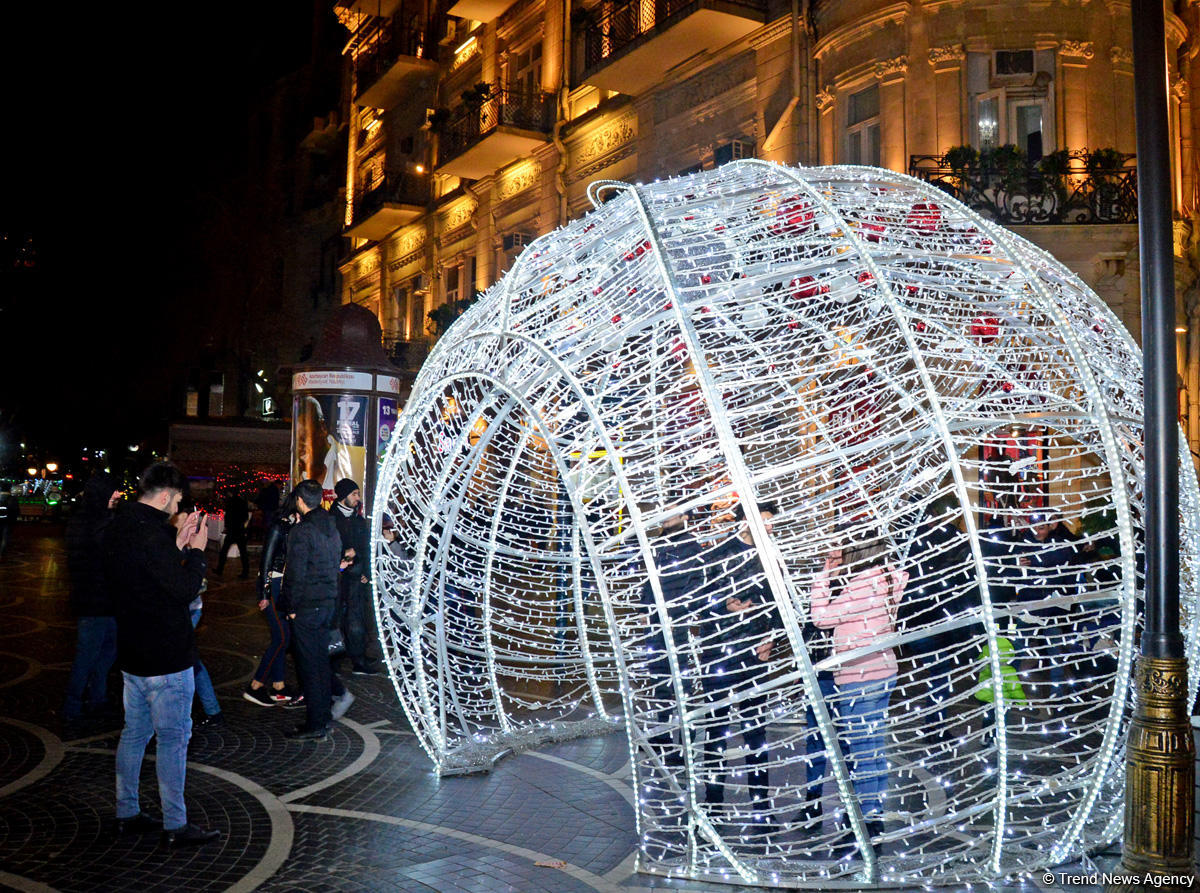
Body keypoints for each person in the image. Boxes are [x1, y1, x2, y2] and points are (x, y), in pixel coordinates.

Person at [104, 462, 219, 846]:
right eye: (178, 501)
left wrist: (177, 546)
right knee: (173, 738)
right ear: (168, 496)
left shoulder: (120, 526)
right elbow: (183, 588)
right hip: (166, 657)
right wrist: (198, 553)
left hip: (132, 652)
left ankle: (127, 811)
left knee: (134, 733)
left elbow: (150, 575)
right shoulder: (153, 535)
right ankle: (176, 823)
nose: (178, 509)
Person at [811, 533, 908, 841]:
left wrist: (823, 577)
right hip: (883, 670)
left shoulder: (864, 583)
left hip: (860, 675)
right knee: (874, 745)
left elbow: (821, 618)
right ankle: (873, 811)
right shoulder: (889, 576)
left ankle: (865, 821)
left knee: (863, 750)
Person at [698, 501, 781, 830]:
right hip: (719, 654)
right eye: (764, 521)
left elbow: (779, 602)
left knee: (756, 730)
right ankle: (713, 804)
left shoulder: (771, 556)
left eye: (772, 522)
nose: (770, 528)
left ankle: (761, 805)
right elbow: (700, 602)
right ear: (744, 522)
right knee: (716, 730)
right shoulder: (719, 555)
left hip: (755, 656)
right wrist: (724, 606)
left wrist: (772, 638)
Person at [280, 478, 354, 740]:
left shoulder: (303, 531)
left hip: (307, 606)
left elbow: (296, 575)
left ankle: (316, 724)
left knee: (310, 667)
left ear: (300, 502)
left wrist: (290, 606)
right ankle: (323, 718)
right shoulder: (331, 526)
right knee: (322, 665)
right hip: (328, 603)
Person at [63, 473, 123, 720]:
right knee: (87, 656)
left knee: (108, 653)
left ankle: (98, 697)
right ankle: (72, 705)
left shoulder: (102, 520)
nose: (118, 495)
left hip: (108, 602)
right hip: (93, 603)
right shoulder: (90, 523)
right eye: (113, 491)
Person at [244, 493, 296, 706]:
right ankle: (255, 686)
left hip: (282, 586)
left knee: (282, 636)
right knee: (282, 637)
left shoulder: (292, 526)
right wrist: (264, 594)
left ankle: (278, 686)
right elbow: (265, 561)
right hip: (273, 585)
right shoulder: (279, 526)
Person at [332, 478, 379, 676]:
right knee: (337, 620)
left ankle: (358, 657)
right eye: (354, 494)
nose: (358, 498)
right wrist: (344, 555)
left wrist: (366, 572)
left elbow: (365, 548)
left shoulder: (358, 520)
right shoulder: (331, 519)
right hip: (337, 579)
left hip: (355, 578)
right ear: (343, 497)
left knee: (356, 620)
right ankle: (335, 659)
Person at [214, 491, 249, 578]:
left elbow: (228, 517)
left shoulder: (230, 503)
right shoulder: (243, 503)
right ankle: (245, 572)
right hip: (240, 530)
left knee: (224, 550)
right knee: (243, 552)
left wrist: (227, 527)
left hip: (232, 530)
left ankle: (220, 569)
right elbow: (246, 517)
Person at [0, 487, 15, 560]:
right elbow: (16, 511)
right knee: (5, 537)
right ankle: (1, 553)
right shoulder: (12, 499)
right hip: (8, 521)